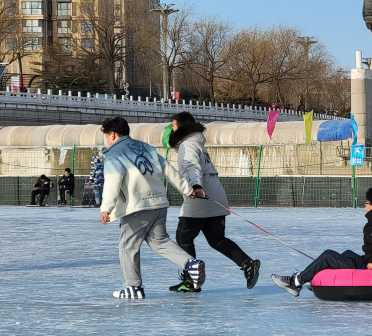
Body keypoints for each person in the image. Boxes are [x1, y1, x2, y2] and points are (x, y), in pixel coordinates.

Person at [99, 116, 206, 299]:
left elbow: (112, 182)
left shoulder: (114, 153)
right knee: (159, 242)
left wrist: (106, 207)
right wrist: (187, 189)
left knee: (128, 246)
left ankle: (133, 288)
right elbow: (168, 169)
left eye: (107, 136)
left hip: (136, 207)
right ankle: (190, 264)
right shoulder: (146, 147)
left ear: (113, 135)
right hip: (159, 204)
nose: (107, 140)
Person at [167, 112, 260, 293]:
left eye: (174, 125)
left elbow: (193, 167)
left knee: (183, 237)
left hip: (199, 196)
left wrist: (195, 185)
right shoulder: (198, 143)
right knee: (216, 239)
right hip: (216, 197)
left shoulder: (188, 145)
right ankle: (247, 264)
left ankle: (191, 279)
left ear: (183, 126)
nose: (172, 129)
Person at [272, 185, 372, 297]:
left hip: (367, 265)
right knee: (347, 253)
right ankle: (313, 277)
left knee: (328, 255)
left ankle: (295, 282)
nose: (365, 206)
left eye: (366, 203)